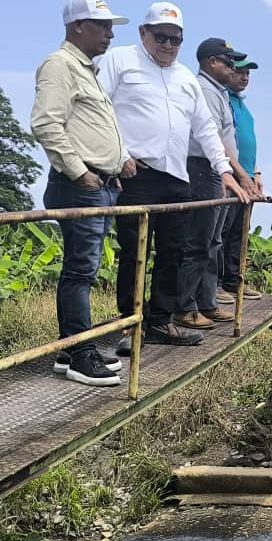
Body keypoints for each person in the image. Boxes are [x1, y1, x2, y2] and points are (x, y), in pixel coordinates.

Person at [98, 2, 248, 353]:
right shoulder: (120, 61)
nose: (167, 45)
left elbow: (206, 129)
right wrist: (118, 156)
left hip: (177, 178)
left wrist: (224, 171)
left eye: (175, 39)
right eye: (161, 37)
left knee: (174, 253)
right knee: (135, 253)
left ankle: (161, 322)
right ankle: (131, 327)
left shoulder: (185, 78)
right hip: (136, 174)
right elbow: (100, 109)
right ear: (143, 33)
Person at [31, 0, 134, 387]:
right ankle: (79, 355)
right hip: (80, 187)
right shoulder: (60, 65)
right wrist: (81, 173)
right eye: (102, 26)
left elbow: (91, 127)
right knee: (81, 270)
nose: (110, 34)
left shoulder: (87, 71)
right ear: (77, 27)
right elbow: (45, 123)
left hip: (101, 185)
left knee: (83, 268)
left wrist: (116, 164)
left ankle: (69, 347)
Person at [175, 37, 258, 330]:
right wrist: (241, 175)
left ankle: (206, 302)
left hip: (217, 171)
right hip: (202, 168)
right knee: (199, 241)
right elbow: (215, 141)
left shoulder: (219, 92)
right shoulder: (205, 91)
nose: (233, 66)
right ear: (212, 62)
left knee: (213, 241)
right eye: (228, 61)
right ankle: (185, 306)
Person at [216, 55, 263, 305]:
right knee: (221, 232)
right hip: (230, 176)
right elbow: (223, 142)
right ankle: (216, 284)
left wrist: (256, 173)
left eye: (248, 74)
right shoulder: (222, 100)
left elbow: (246, 143)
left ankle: (234, 282)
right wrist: (241, 175)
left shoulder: (243, 105)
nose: (245, 77)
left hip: (247, 178)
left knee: (239, 233)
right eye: (240, 72)